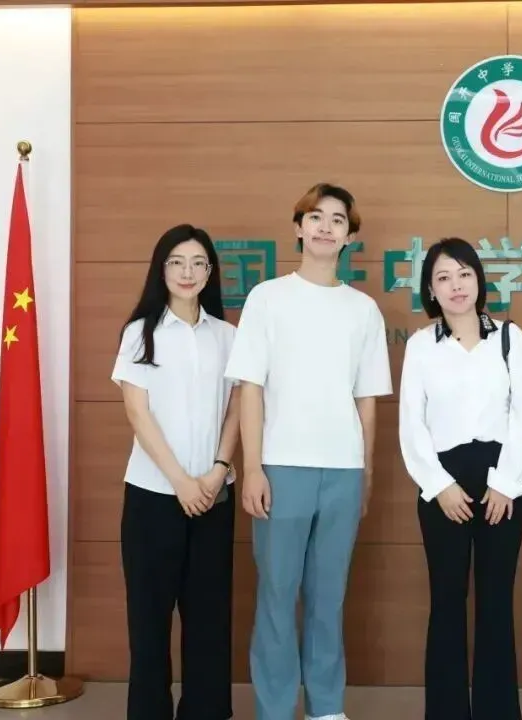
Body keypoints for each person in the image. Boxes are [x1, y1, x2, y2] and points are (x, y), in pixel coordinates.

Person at [224, 183, 392, 720]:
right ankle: (275, 708)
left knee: (329, 596)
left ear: (349, 236)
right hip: (281, 467)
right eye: (315, 217)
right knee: (277, 595)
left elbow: (367, 401)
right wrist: (253, 468)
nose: (325, 227)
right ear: (298, 228)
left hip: (343, 470)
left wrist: (366, 474)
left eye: (337, 220)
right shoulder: (267, 298)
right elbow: (250, 388)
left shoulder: (363, 310)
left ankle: (326, 707)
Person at [398, 237, 522, 720]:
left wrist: (505, 483)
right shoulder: (421, 345)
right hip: (442, 485)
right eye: (443, 277)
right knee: (446, 602)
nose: (456, 285)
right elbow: (411, 423)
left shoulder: (509, 338)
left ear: (479, 280)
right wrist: (439, 486)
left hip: (503, 482)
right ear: (430, 290)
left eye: (464, 274)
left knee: (496, 603)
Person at [112, 223, 240, 720]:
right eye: (177, 262)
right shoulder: (140, 333)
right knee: (149, 621)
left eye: (198, 263)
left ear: (210, 272)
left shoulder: (227, 336)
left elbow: (237, 409)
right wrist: (181, 482)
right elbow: (137, 413)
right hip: (153, 495)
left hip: (214, 495)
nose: (188, 272)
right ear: (161, 269)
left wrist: (218, 469)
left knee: (209, 620)